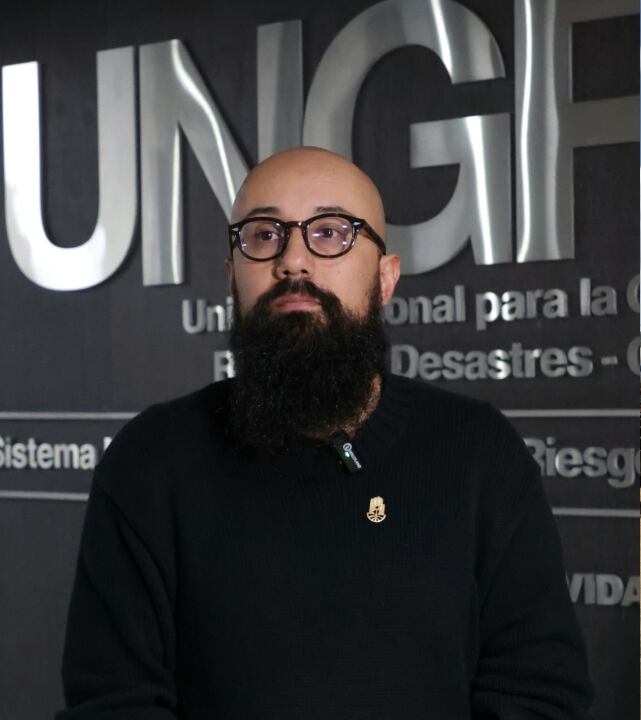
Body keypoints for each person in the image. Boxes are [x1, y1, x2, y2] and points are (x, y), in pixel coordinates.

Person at [58, 147, 593, 719]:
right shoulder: (149, 461)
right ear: (231, 276)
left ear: (385, 279)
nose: (294, 261)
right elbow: (113, 705)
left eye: (331, 232)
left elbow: (540, 692)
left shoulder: (479, 450)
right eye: (264, 235)